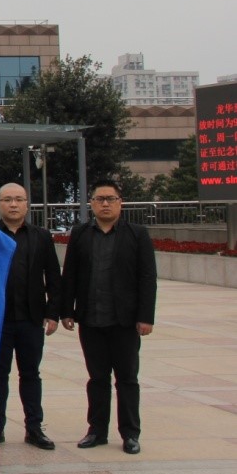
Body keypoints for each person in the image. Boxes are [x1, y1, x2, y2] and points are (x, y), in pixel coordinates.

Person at [60, 179, 157, 455]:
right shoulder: (80, 234)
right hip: (91, 319)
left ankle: (130, 434)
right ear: (91, 203)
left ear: (120, 203)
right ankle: (96, 431)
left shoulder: (137, 234)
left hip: (124, 321)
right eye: (99, 199)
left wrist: (146, 317)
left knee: (127, 379)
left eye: (110, 199)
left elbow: (147, 278)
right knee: (97, 379)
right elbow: (70, 274)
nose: (105, 204)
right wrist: (66, 310)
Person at [0, 183, 61, 450]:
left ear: (26, 204)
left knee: (31, 374)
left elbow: (53, 276)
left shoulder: (41, 236)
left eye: (18, 199)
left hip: (31, 319)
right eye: (7, 199)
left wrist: (53, 312)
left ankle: (34, 428)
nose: (13, 204)